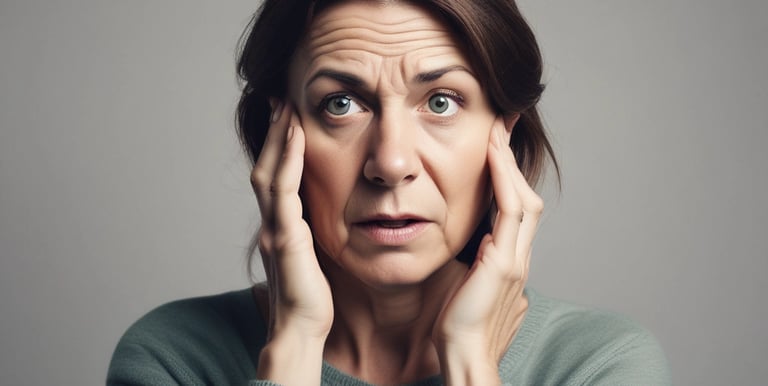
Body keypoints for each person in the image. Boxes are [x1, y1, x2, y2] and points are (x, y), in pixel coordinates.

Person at [108, 0, 671, 385]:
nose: (391, 163)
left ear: (504, 133)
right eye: (341, 104)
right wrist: (293, 349)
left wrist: (471, 365)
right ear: (279, 137)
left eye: (442, 102)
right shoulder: (176, 359)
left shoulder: (599, 366)